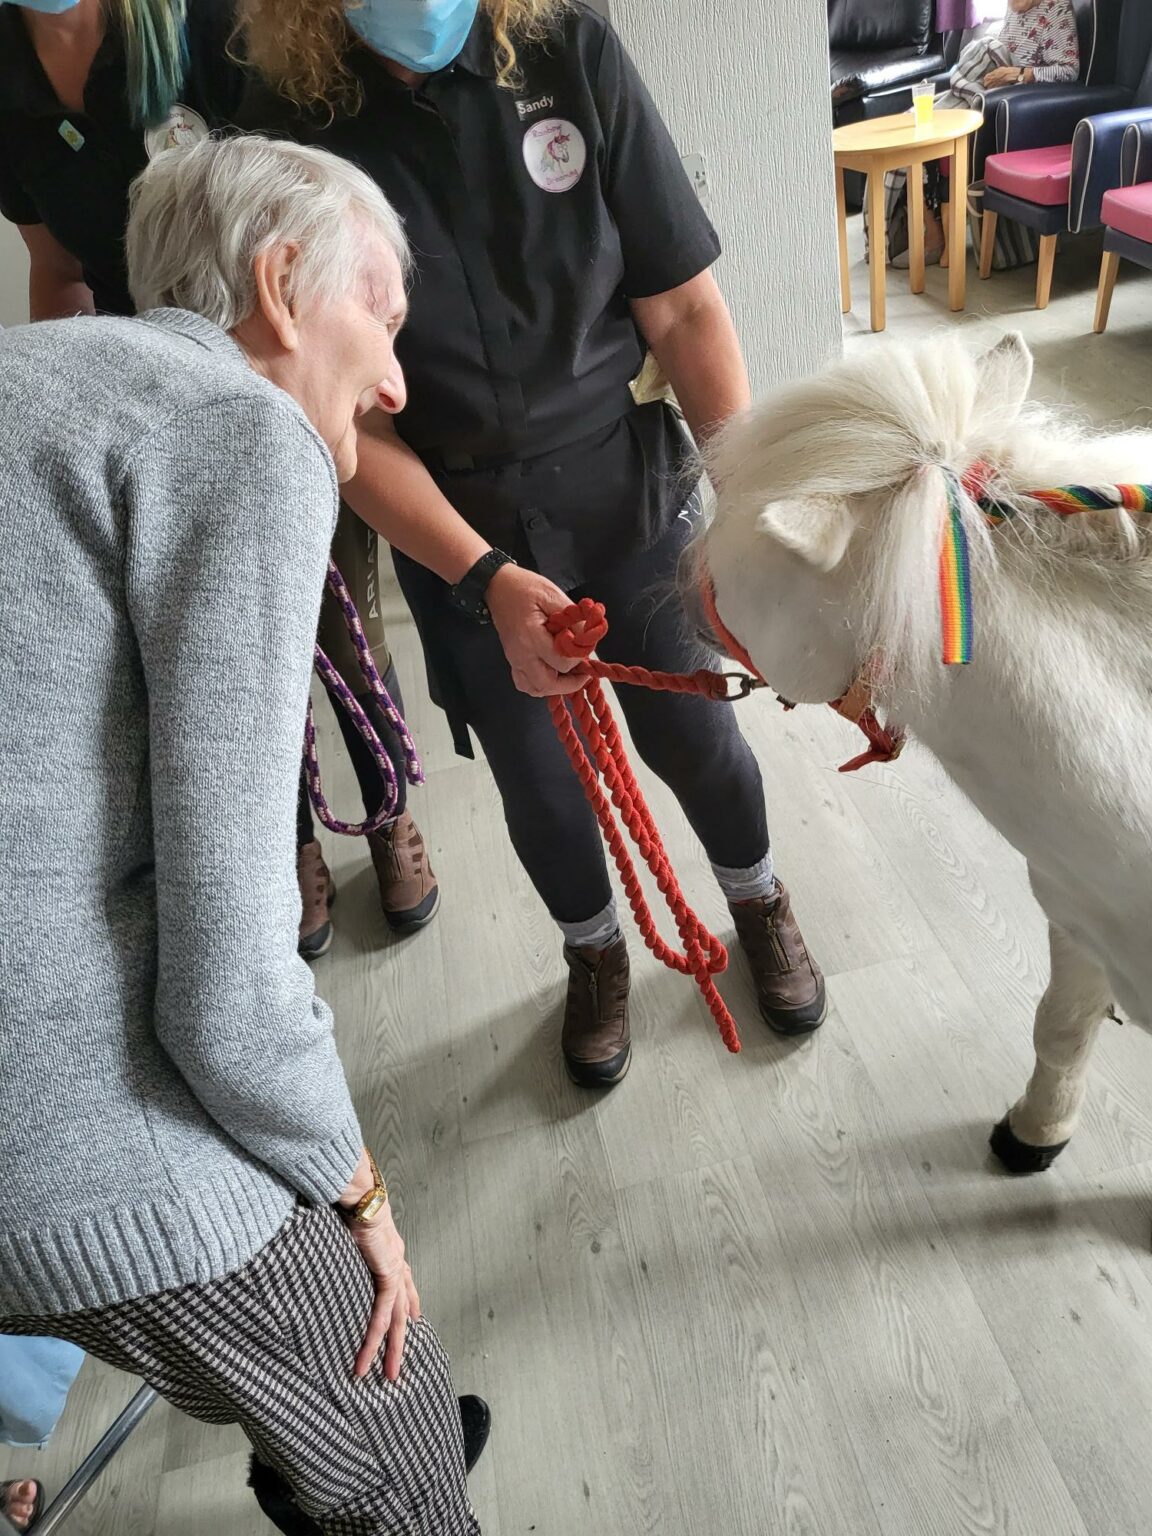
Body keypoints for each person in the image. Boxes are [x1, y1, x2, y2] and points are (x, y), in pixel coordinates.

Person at [0, 135, 485, 1536]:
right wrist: (364, 1198)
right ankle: (371, 1460)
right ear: (279, 286)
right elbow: (229, 996)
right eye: (381, 314)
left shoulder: (39, 377)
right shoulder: (236, 426)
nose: (396, 382)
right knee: (384, 1380)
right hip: (46, 1124)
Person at [237, 0, 828, 1089]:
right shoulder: (287, 120)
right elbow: (347, 422)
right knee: (540, 779)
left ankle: (758, 897)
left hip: (621, 481)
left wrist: (750, 510)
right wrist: (483, 575)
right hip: (454, 518)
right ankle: (594, 951)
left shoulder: (570, 49)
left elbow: (684, 309)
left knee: (694, 731)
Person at [0, 0, 438, 959]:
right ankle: (285, 846)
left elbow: (308, 211)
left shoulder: (201, 29)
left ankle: (389, 808)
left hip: (277, 371)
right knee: (210, 659)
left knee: (340, 624)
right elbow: (55, 266)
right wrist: (90, 403)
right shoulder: (10, 81)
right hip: (151, 398)